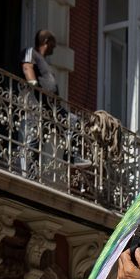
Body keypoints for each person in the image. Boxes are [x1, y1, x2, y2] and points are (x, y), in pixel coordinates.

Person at [18, 30, 90, 176]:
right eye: (53, 43)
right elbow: (27, 67)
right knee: (34, 139)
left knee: (74, 122)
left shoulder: (45, 62)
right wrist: (35, 86)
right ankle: (29, 174)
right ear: (46, 42)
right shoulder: (31, 52)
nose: (55, 47)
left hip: (52, 108)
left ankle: (70, 156)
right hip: (37, 104)